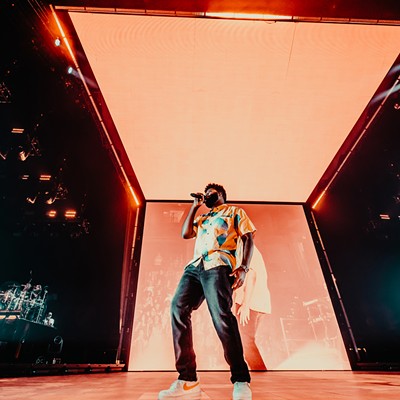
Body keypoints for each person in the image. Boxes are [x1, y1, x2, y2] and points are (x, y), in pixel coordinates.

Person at [159, 183, 255, 400]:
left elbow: (249, 237)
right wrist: (195, 206)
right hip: (195, 266)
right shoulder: (203, 218)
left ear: (220, 195)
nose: (206, 194)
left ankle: (241, 379)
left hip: (218, 264)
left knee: (222, 316)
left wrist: (243, 267)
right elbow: (186, 233)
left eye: (210, 192)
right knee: (177, 308)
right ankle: (187, 380)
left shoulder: (235, 212)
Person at [234, 241, 271, 370]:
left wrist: (245, 305)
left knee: (245, 342)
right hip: (257, 302)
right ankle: (257, 372)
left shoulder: (246, 248)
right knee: (245, 341)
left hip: (250, 303)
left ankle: (260, 372)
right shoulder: (248, 248)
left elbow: (252, 275)